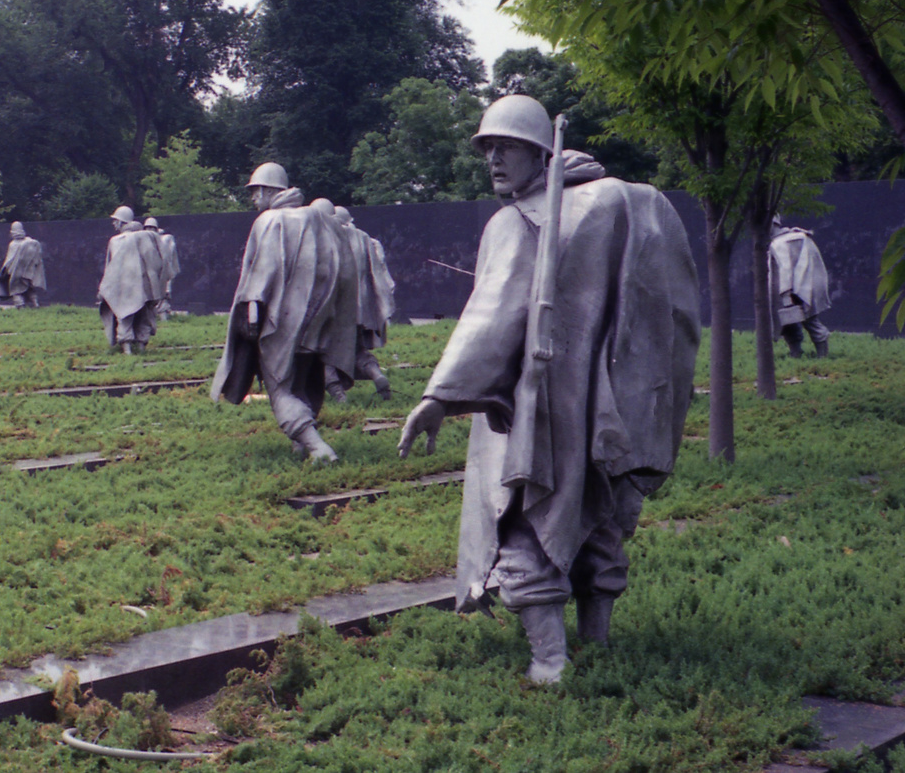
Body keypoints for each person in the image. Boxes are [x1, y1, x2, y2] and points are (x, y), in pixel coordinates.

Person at [398, 95, 700, 684]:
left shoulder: (518, 220)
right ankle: (598, 639)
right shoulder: (626, 203)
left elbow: (494, 312)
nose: (494, 160)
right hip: (604, 410)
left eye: (505, 147)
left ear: (541, 151)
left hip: (531, 410)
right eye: (488, 148)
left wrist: (439, 397)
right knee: (596, 514)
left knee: (520, 520)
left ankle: (550, 660)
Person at [211, 164, 356, 463]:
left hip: (281, 323)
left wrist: (251, 313)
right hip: (317, 322)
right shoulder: (319, 220)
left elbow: (262, 271)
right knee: (303, 381)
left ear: (268, 190)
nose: (253, 199)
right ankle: (300, 446)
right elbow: (342, 270)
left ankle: (318, 447)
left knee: (279, 388)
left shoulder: (269, 221)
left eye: (255, 192)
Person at [326, 204, 396, 402]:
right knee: (358, 350)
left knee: (322, 353)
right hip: (361, 311)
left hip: (337, 309)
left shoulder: (330, 239)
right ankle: (377, 375)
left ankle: (337, 393)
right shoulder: (366, 239)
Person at [98, 206, 165, 355]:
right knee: (143, 315)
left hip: (124, 286)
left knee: (124, 316)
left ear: (122, 222)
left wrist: (104, 288)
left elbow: (110, 267)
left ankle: (127, 349)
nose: (114, 224)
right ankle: (140, 347)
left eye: (116, 221)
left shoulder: (115, 240)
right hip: (144, 285)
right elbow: (155, 264)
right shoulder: (146, 238)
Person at [769, 217, 831, 358]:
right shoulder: (798, 236)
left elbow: (785, 269)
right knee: (788, 323)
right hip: (804, 285)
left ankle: (821, 355)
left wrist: (786, 295)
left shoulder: (779, 243)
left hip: (791, 290)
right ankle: (796, 353)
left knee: (808, 321)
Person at [0, 221, 46, 308]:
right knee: (30, 288)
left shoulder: (13, 244)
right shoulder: (31, 242)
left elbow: (9, 260)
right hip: (29, 273)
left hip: (16, 273)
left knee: (15, 289)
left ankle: (20, 305)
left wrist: (3, 272)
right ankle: (35, 303)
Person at [143, 217, 180, 319]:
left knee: (163, 299)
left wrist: (168, 286)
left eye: (152, 228)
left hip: (163, 275)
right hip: (150, 276)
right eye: (147, 228)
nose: (149, 230)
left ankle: (164, 318)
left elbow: (169, 264)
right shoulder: (144, 241)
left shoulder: (165, 241)